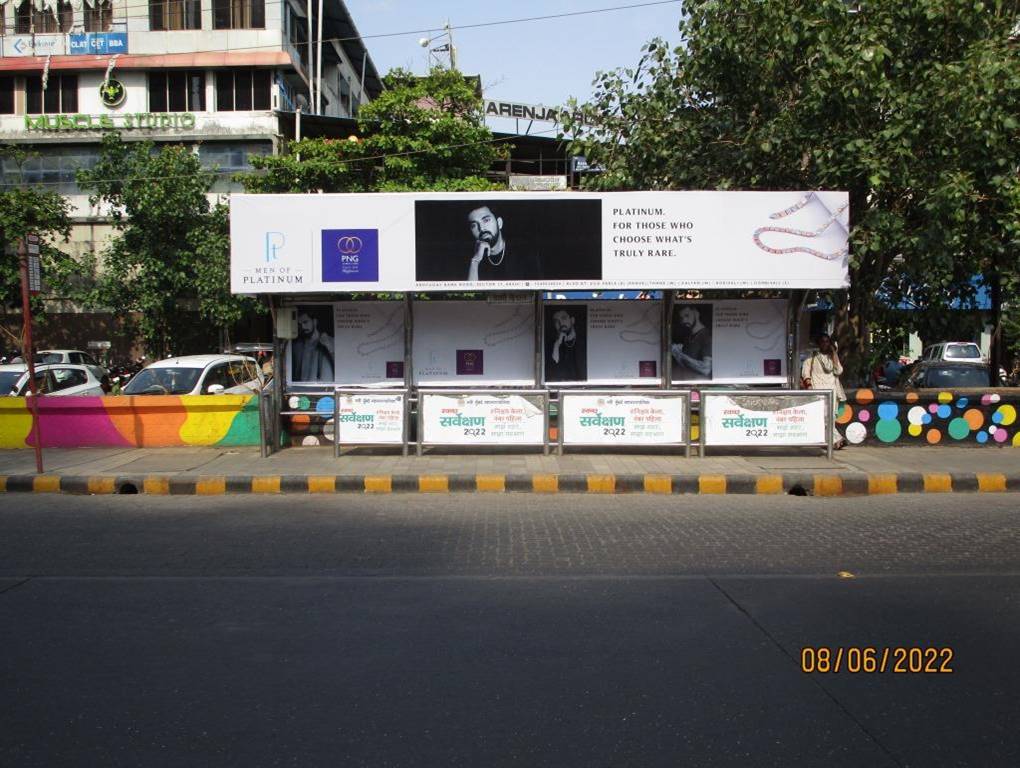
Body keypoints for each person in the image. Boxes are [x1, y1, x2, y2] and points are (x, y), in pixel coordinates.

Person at [465, 205, 541, 282]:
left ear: (499, 223)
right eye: (474, 225)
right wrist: (475, 260)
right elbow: (470, 292)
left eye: (486, 220)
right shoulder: (469, 260)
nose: (481, 228)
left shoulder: (525, 253)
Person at [802, 333, 847, 448]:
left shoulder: (832, 357)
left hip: (832, 390)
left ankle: (833, 441)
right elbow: (805, 373)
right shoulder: (812, 357)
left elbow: (839, 371)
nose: (825, 344)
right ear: (818, 343)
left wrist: (834, 353)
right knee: (823, 416)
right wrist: (810, 387)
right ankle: (837, 439)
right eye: (822, 341)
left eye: (827, 341)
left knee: (830, 417)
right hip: (818, 390)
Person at [671, 305, 712, 379]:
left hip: (700, 384)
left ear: (696, 313)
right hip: (686, 382)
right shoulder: (688, 336)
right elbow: (686, 365)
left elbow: (706, 369)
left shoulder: (706, 336)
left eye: (687, 315)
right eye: (681, 318)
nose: (684, 321)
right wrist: (676, 353)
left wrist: (680, 354)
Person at [291, 311, 334, 382]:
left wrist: (330, 348)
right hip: (301, 389)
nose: (303, 327)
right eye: (300, 324)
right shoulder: (296, 346)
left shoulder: (329, 341)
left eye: (305, 322)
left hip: (325, 389)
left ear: (314, 322)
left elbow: (341, 366)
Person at [546, 309, 584, 381]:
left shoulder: (582, 341)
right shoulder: (552, 345)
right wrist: (557, 345)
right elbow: (550, 372)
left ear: (572, 320)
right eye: (556, 321)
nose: (561, 323)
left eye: (564, 318)